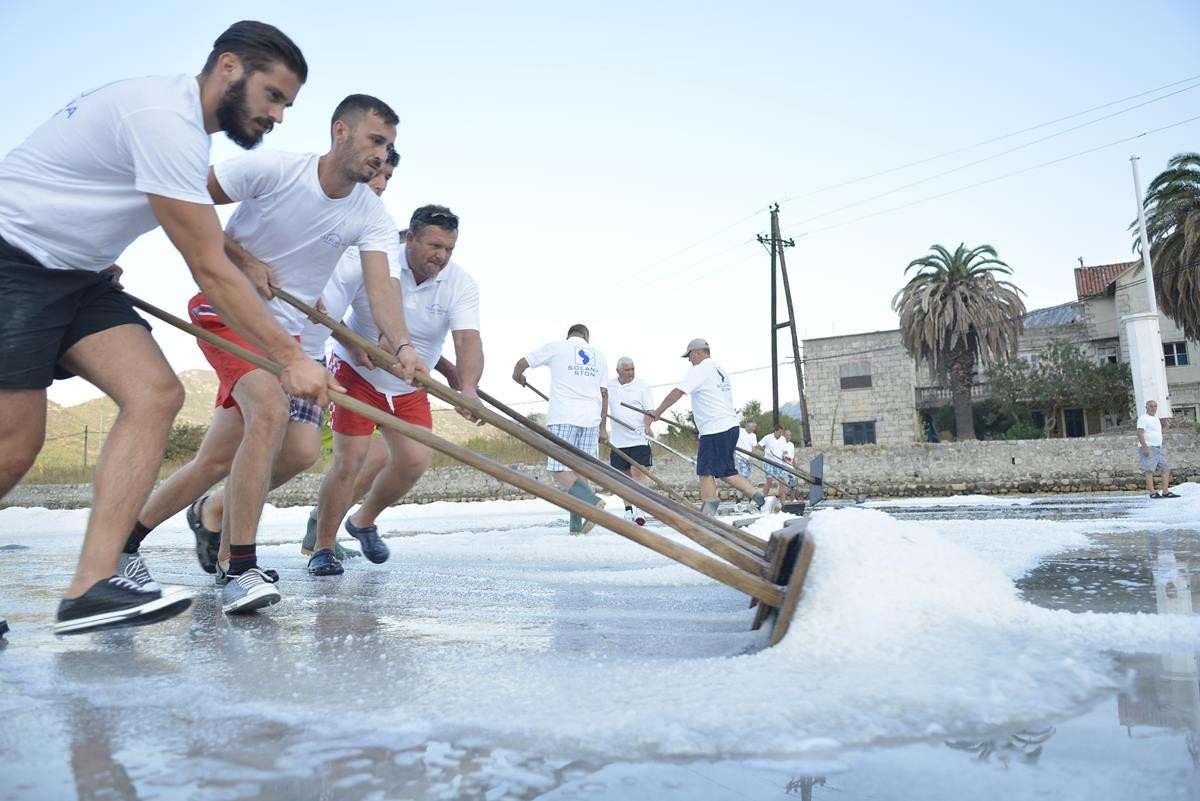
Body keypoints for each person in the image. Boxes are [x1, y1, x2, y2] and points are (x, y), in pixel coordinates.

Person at [0, 21, 332, 635]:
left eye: (287, 103)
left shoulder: (183, 133)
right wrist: (288, 357)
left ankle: (93, 584)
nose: (280, 115)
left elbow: (98, 191)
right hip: (15, 257)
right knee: (16, 444)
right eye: (274, 96)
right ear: (229, 68)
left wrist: (95, 249)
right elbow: (209, 265)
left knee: (155, 392)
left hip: (79, 274)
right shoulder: (164, 119)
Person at [127, 94, 418, 615]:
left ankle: (134, 538)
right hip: (231, 311)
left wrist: (401, 347)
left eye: (390, 146)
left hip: (298, 341)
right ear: (340, 132)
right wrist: (242, 257)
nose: (382, 155)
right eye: (376, 141)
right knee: (269, 409)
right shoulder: (274, 169)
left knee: (277, 453)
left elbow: (383, 289)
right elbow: (184, 196)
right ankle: (240, 566)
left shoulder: (372, 215)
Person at [309, 205, 483, 575]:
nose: (442, 256)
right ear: (410, 238)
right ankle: (322, 548)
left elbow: (468, 340)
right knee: (349, 462)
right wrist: (351, 340)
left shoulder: (460, 283)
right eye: (435, 245)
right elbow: (326, 307)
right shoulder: (375, 260)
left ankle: (362, 521)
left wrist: (467, 386)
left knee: (414, 461)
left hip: (408, 380)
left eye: (449, 249)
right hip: (357, 372)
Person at [652, 338, 774, 517]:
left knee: (705, 471)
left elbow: (678, 392)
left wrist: (658, 411)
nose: (689, 360)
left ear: (697, 353)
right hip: (730, 426)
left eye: (689, 356)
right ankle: (762, 500)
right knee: (726, 472)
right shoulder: (719, 369)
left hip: (715, 429)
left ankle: (708, 513)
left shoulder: (700, 369)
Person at [513, 325, 608, 534]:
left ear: (569, 335)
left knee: (558, 469)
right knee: (580, 470)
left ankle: (592, 503)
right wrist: (602, 426)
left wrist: (517, 375)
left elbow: (522, 362)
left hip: (564, 415)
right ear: (586, 337)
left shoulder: (558, 347)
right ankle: (576, 525)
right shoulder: (599, 356)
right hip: (591, 418)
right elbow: (604, 393)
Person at [602, 357, 655, 525]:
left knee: (638, 474)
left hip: (638, 438)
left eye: (632, 369)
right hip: (618, 441)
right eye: (627, 370)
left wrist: (647, 426)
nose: (631, 373)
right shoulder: (609, 385)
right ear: (618, 371)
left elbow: (649, 410)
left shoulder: (642, 385)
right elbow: (601, 402)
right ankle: (628, 510)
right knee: (623, 477)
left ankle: (640, 510)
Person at [1137, 399, 1178, 499]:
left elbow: (1157, 433)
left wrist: (1166, 427)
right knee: (1149, 470)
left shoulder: (1155, 418)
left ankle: (1165, 491)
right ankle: (1152, 492)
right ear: (1146, 407)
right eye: (1151, 406)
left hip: (1158, 448)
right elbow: (1139, 433)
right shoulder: (1143, 418)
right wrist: (1145, 447)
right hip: (1148, 447)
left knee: (1165, 468)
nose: (1153, 408)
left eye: (1155, 406)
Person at [758, 424, 791, 500]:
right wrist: (765, 450)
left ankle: (782, 502)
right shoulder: (767, 437)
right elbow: (758, 445)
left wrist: (785, 456)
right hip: (769, 462)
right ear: (775, 431)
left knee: (782, 482)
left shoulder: (783, 439)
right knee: (769, 481)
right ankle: (762, 500)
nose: (781, 434)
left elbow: (785, 450)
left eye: (782, 433)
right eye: (779, 432)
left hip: (779, 463)